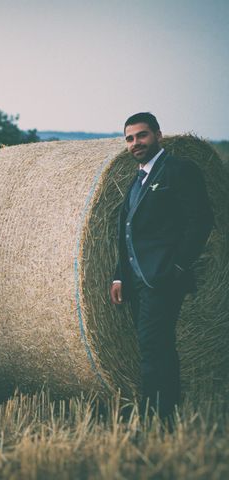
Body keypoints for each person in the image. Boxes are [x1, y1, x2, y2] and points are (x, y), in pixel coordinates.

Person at [110, 112, 213, 421]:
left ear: (158, 134)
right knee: (157, 347)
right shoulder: (138, 179)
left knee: (154, 348)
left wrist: (178, 267)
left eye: (141, 135)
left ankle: (153, 416)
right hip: (139, 281)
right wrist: (119, 276)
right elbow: (127, 232)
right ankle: (164, 413)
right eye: (129, 139)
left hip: (164, 278)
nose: (135, 143)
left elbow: (201, 221)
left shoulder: (179, 171)